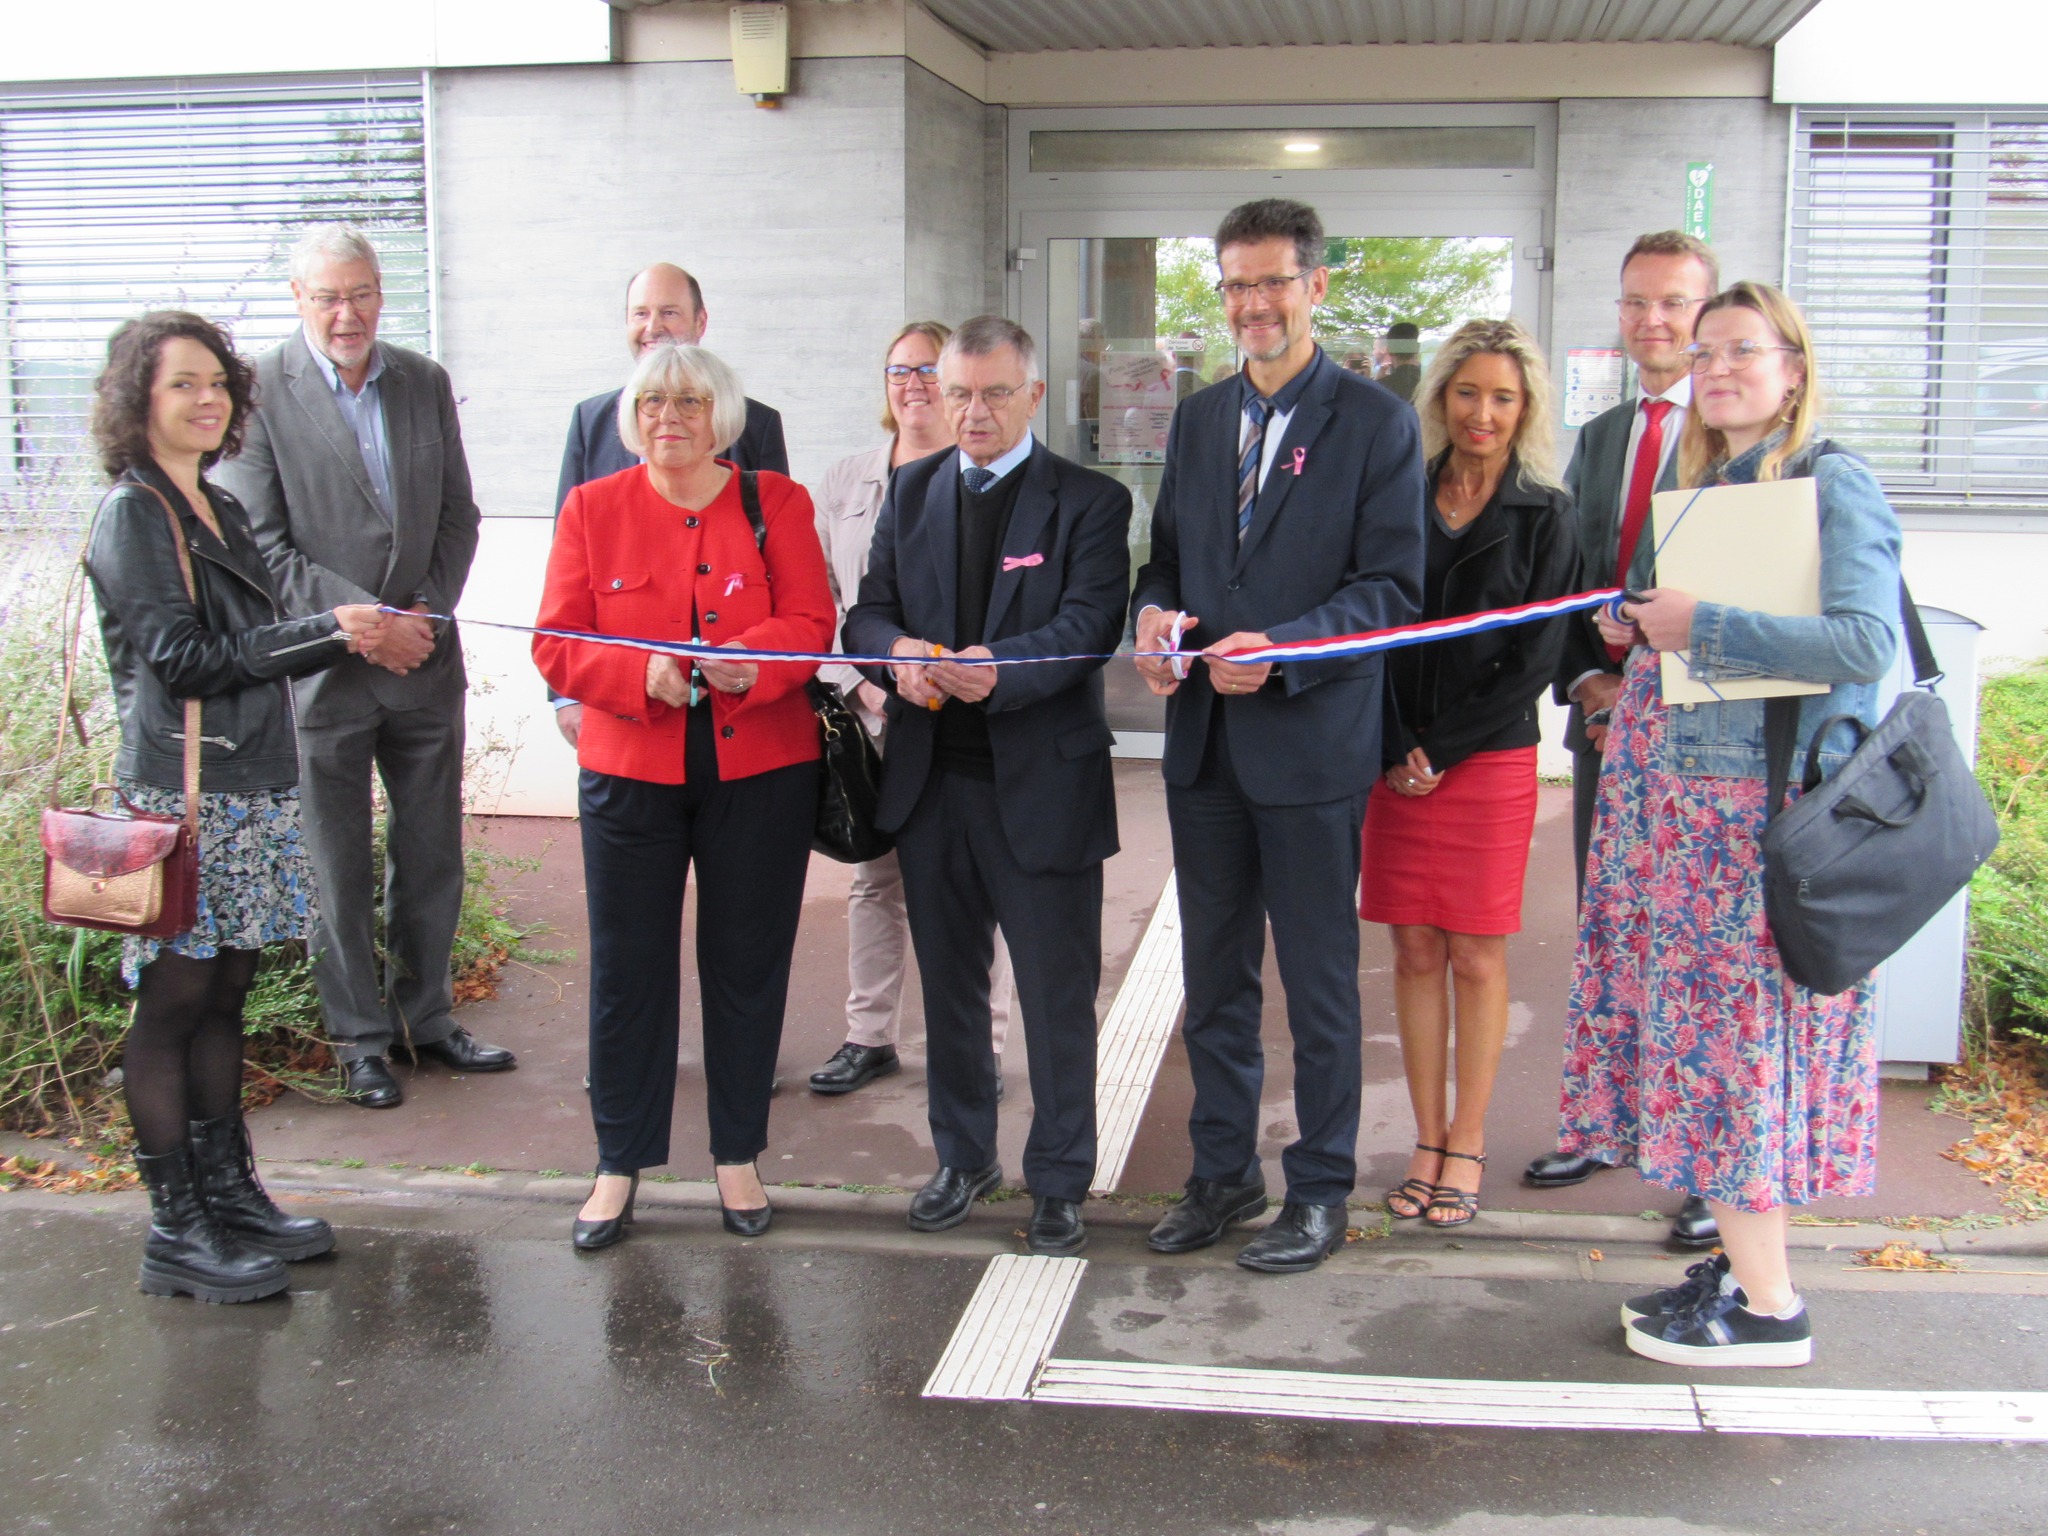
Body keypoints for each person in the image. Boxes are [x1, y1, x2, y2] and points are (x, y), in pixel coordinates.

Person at [1565, 281, 1901, 1367]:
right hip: (1683, 824)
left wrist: (1696, 624)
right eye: (1702, 353)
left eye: (1739, 351)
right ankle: (1750, 1274)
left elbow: (1859, 645)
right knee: (1709, 1053)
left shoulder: (1832, 483)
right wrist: (1634, 621)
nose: (1713, 369)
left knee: (1735, 1058)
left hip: (1746, 831)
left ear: (1792, 367)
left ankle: (1768, 1312)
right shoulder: (1708, 479)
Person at [1132, 199, 1426, 1274]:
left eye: (1271, 281)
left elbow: (1392, 590)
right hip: (1204, 740)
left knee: (1316, 982)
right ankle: (1220, 1176)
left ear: (1315, 286)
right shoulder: (1200, 418)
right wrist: (1153, 621)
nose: (1251, 303)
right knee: (1212, 980)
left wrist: (1289, 647)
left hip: (1308, 744)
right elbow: (1163, 558)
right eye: (1233, 284)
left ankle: (1318, 1189)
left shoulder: (1376, 422)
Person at [83, 311, 389, 1301]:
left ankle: (231, 1197)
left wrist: (324, 629)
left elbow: (240, 641)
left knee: (225, 996)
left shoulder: (212, 502)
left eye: (217, 382)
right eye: (182, 384)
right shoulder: (135, 513)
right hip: (182, 801)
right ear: (139, 400)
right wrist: (326, 636)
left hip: (250, 788)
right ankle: (177, 1229)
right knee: (173, 1004)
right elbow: (180, 661)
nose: (206, 398)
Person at [534, 343, 835, 1252]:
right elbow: (555, 640)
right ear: (632, 415)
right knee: (628, 973)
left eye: (691, 401)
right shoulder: (593, 507)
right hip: (631, 769)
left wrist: (751, 661)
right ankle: (618, 1164)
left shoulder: (776, 501)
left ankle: (737, 1155)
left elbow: (813, 623)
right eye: (654, 401)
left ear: (723, 414)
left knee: (746, 966)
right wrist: (638, 675)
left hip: (761, 770)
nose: (671, 416)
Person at [844, 315, 1132, 1257]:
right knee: (952, 993)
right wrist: (900, 663)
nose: (972, 410)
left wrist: (998, 667)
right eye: (956, 390)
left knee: (1055, 997)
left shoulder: (1090, 502)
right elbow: (869, 612)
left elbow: (1092, 621)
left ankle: (1059, 1179)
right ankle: (963, 1157)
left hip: (1043, 787)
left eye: (994, 392)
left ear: (1035, 396)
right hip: (932, 787)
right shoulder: (915, 489)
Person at [216, 224, 514, 1110]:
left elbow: (460, 513)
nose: (348, 314)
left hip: (424, 657)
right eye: (327, 297)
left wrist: (421, 612)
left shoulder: (422, 380)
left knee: (431, 855)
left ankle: (427, 1020)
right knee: (334, 867)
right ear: (299, 301)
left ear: (382, 292)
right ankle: (359, 1041)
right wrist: (367, 625)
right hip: (326, 674)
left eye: (362, 293)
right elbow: (261, 547)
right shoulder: (261, 393)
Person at [1523, 230, 1723, 1251]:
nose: (1654, 321)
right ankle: (1605, 1125)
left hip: (1703, 738)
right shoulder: (1599, 437)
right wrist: (1586, 676)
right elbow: (1569, 579)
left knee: (1691, 947)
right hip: (1607, 724)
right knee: (1609, 931)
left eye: (1674, 304)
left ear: (1707, 311)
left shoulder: (1740, 434)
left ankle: (1701, 1167)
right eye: (1637, 302)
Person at [1360, 319, 1578, 1231]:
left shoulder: (1545, 510)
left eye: (1503, 397)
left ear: (1524, 409)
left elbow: (1537, 659)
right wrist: (1394, 740)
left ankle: (1470, 1139)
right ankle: (1425, 1136)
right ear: (1440, 396)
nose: (1482, 412)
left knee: (1477, 954)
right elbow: (1366, 624)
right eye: (1467, 392)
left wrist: (1440, 747)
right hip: (1390, 754)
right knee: (1412, 949)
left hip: (1485, 760)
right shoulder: (1394, 493)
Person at [808, 321, 1019, 1098]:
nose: (915, 385)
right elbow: (827, 601)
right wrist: (863, 684)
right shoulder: (844, 481)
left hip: (960, 717)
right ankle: (870, 1035)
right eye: (900, 370)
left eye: (932, 371)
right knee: (876, 881)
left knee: (975, 883)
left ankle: (982, 1048)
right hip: (868, 713)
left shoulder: (981, 474)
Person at [553, 262, 791, 751]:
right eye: (639, 313)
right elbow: (564, 588)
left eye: (669, 312)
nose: (653, 326)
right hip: (626, 723)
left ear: (701, 323)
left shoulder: (757, 424)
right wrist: (565, 696)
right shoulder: (589, 421)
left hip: (738, 715)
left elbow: (784, 575)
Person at [1378, 322, 1423, 403]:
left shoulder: (1381, 387)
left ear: (1389, 350)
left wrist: (1376, 384)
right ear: (1417, 348)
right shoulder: (1430, 386)